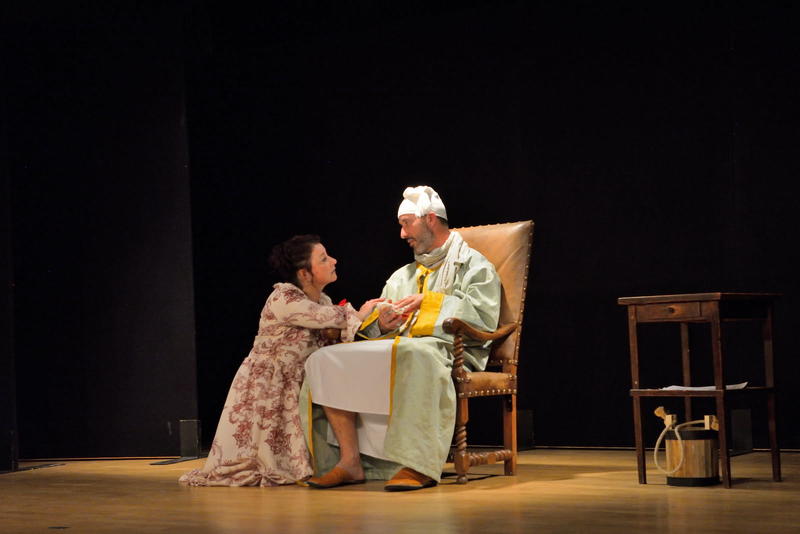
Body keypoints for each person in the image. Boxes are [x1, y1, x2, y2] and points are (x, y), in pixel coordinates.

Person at [299, 186, 502, 491]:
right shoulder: (402, 276)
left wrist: (430, 302)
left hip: (448, 350)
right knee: (325, 358)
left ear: (430, 219)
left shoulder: (474, 266)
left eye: (407, 224)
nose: (402, 234)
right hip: (399, 346)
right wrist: (382, 323)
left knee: (413, 355)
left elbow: (484, 317)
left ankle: (416, 463)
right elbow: (375, 322)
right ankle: (349, 462)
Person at [179, 235, 382, 487]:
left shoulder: (324, 301)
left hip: (296, 381)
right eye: (323, 258)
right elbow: (321, 318)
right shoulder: (284, 297)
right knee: (259, 455)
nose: (333, 261)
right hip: (269, 381)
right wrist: (360, 313)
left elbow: (330, 328)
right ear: (305, 274)